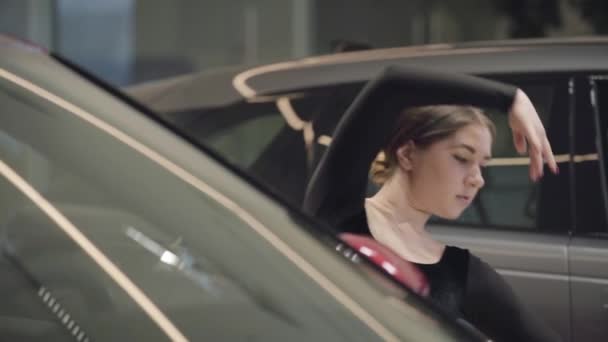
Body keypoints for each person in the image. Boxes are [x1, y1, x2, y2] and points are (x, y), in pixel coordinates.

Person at [364, 94, 561, 341]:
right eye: (462, 158)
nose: (478, 179)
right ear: (407, 155)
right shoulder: (342, 218)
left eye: (483, 165)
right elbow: (388, 84)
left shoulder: (460, 271)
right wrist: (510, 98)